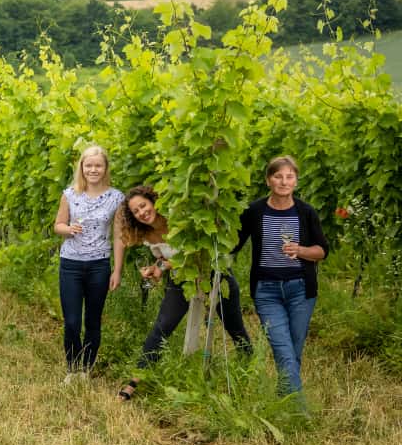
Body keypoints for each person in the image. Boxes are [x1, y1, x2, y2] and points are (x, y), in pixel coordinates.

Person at [116, 185, 252, 400]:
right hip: (181, 280)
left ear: (153, 202)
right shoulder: (146, 234)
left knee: (234, 326)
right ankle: (135, 379)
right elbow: (165, 260)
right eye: (135, 211)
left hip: (212, 272)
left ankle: (248, 373)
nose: (142, 212)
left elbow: (196, 251)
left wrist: (164, 267)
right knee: (162, 326)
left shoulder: (176, 218)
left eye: (143, 205)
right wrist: (155, 269)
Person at [234, 156, 328, 395]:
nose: (284, 181)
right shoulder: (254, 211)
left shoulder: (306, 212)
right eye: (278, 176)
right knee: (282, 349)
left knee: (293, 351)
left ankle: (283, 398)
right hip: (266, 291)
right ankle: (299, 411)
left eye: (289, 176)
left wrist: (300, 250)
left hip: (301, 290)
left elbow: (321, 251)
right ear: (268, 181)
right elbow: (233, 244)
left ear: (296, 181)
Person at [52, 145, 125, 383]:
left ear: (105, 169)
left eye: (98, 165)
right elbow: (58, 225)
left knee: (93, 320)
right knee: (72, 321)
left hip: (99, 266)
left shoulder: (116, 197)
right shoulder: (70, 194)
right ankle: (72, 369)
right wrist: (69, 229)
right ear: (81, 168)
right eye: (88, 165)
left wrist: (117, 270)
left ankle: (86, 369)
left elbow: (119, 235)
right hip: (71, 264)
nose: (93, 170)